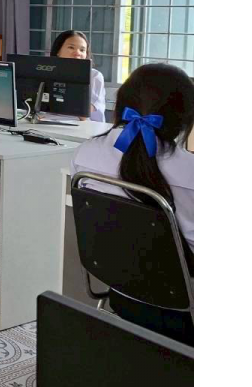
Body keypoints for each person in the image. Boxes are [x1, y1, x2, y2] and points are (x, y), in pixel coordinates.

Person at [70, 62, 194, 344]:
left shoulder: (85, 155)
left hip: (119, 292)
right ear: (185, 118)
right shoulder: (191, 173)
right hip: (182, 311)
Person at [47, 30, 106, 121]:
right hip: (50, 122)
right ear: (58, 51)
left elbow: (83, 114)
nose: (77, 53)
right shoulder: (48, 72)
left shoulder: (94, 76)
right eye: (71, 47)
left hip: (86, 127)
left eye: (82, 50)